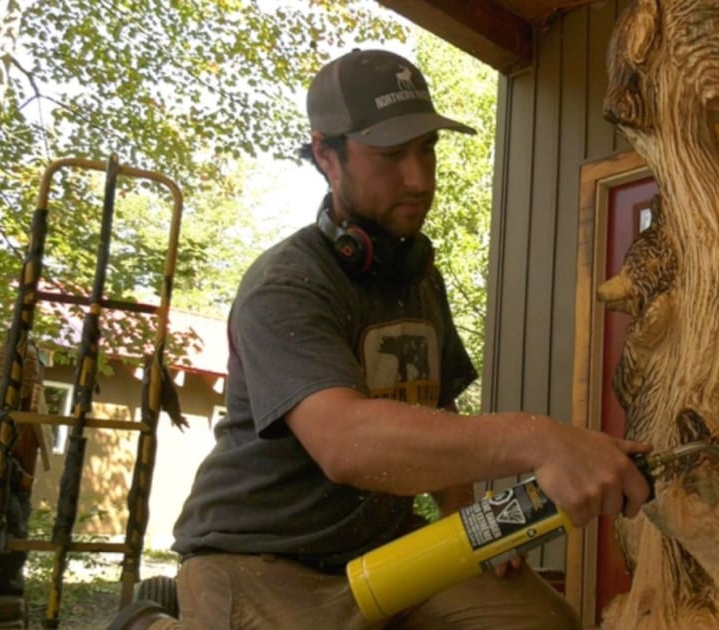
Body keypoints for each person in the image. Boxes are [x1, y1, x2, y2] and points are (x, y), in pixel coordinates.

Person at [112, 49, 651, 630]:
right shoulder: (287, 284)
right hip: (262, 555)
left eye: (427, 149)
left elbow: (437, 409)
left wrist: (468, 522)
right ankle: (153, 622)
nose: (419, 179)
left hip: (388, 551)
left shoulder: (418, 276)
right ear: (327, 155)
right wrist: (543, 441)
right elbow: (345, 441)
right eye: (392, 155)